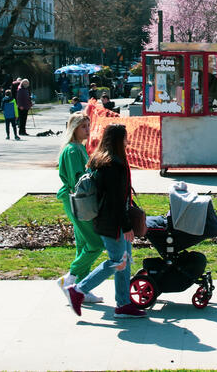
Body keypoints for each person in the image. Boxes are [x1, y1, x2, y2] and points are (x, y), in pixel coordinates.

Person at [66, 124, 147, 318]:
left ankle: (123, 304)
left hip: (109, 220)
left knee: (124, 262)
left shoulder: (104, 160)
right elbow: (115, 200)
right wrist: (127, 226)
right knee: (118, 261)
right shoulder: (113, 165)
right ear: (118, 140)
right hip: (113, 222)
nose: (128, 141)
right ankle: (78, 290)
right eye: (126, 137)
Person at [55, 113, 105, 306]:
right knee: (95, 243)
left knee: (83, 244)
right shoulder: (73, 151)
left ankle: (81, 289)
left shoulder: (78, 148)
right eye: (83, 126)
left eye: (88, 125)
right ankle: (70, 278)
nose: (87, 129)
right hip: (79, 201)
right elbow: (79, 181)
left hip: (78, 200)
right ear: (74, 128)